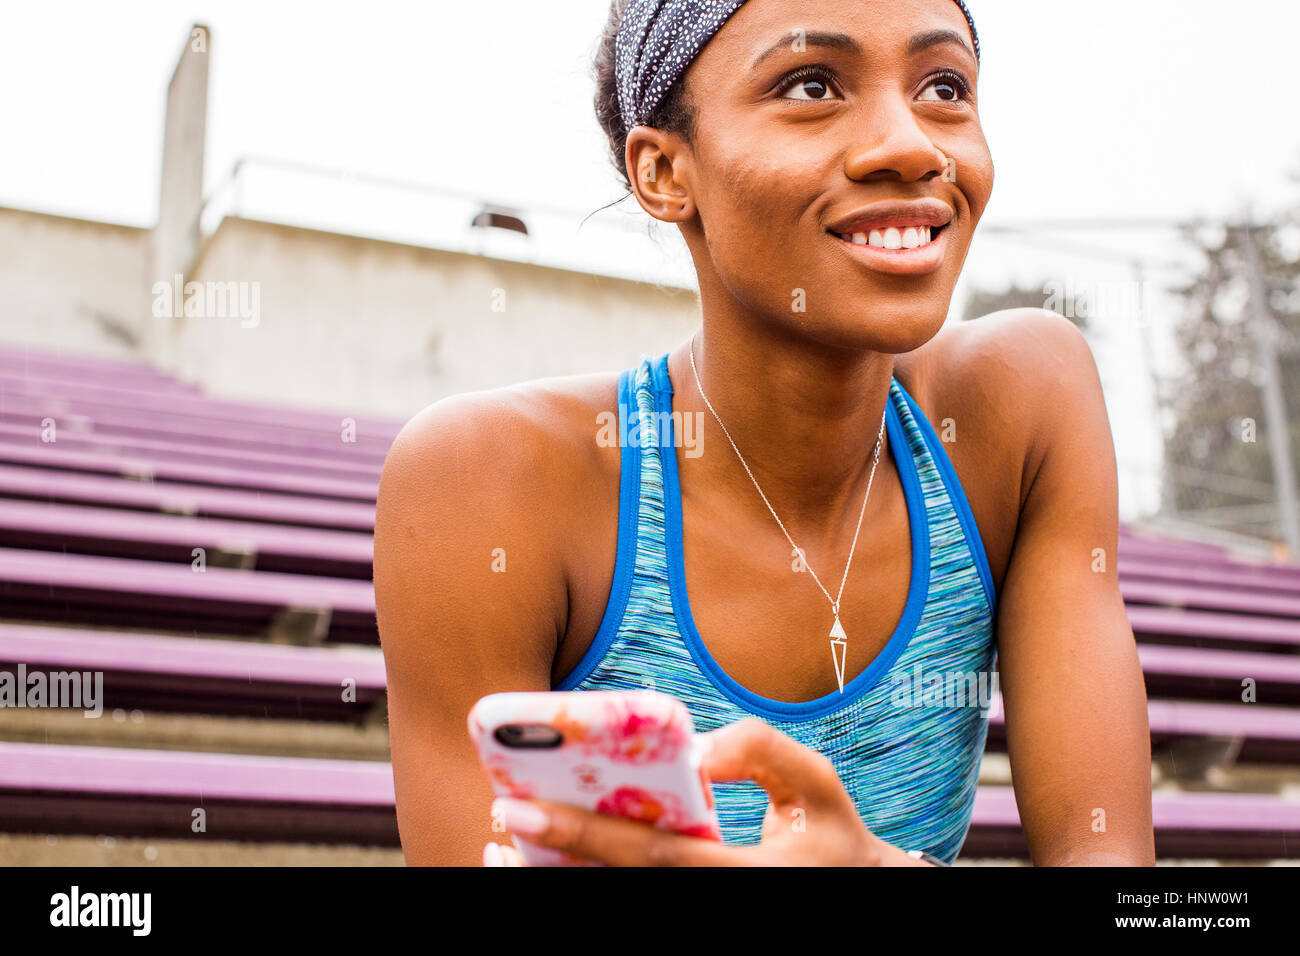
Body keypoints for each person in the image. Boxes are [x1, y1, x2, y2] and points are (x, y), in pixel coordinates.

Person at [374, 0, 1155, 866]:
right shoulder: (486, 479)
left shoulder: (1025, 405)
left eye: (943, 86)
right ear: (665, 170)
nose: (912, 145)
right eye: (812, 84)